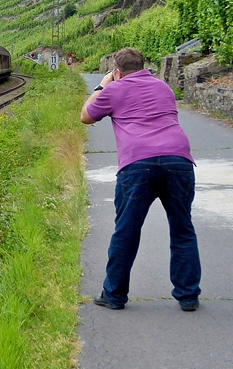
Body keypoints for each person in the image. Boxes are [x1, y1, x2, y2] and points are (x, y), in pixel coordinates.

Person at [81, 47, 201, 311]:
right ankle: (188, 296)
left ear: (117, 71)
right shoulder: (163, 87)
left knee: (126, 231)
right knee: (182, 228)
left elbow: (86, 116)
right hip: (178, 160)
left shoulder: (113, 89)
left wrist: (103, 84)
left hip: (137, 164)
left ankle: (114, 296)